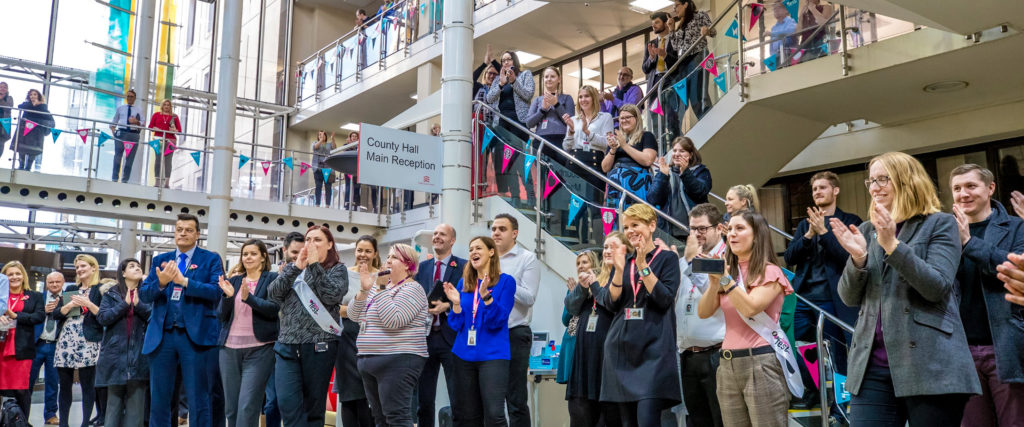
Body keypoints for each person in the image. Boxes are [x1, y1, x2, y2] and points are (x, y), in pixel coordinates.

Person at [832, 151, 981, 425]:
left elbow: (936, 287)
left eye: (882, 180)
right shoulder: (866, 230)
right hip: (871, 368)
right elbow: (848, 297)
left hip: (930, 364)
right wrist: (858, 260)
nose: (874, 188)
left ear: (906, 181)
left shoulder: (940, 223)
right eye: (870, 181)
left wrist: (892, 246)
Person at [696, 210, 798, 427]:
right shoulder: (728, 274)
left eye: (740, 228)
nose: (732, 234)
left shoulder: (770, 272)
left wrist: (725, 280)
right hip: (726, 363)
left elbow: (750, 308)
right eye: (730, 229)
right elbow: (703, 312)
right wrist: (715, 283)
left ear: (757, 235)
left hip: (761, 361)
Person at [948, 164, 1024, 425]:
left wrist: (969, 243)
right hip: (961, 352)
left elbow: (1013, 267)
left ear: (990, 188)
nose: (963, 194)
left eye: (971, 186)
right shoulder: (945, 233)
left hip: (1007, 347)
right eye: (957, 188)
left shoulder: (1016, 227)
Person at [783, 171, 862, 405]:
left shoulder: (850, 221)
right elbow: (789, 257)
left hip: (833, 299)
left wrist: (825, 233)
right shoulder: (805, 225)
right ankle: (814, 391)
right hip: (804, 298)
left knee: (837, 353)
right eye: (815, 188)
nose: (817, 192)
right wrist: (808, 235)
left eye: (822, 188)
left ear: (835, 191)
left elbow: (847, 258)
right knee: (800, 348)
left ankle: (842, 403)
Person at [599, 204, 681, 426]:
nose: (630, 231)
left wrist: (643, 264)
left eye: (635, 225)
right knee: (628, 423)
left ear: (652, 226)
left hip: (654, 351)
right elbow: (610, 302)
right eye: (626, 227)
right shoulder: (624, 262)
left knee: (647, 419)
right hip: (622, 351)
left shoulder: (667, 259)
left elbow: (664, 299)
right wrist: (617, 271)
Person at [140, 213, 225, 427]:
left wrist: (184, 281)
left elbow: (215, 292)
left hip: (195, 337)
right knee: (159, 399)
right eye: (179, 229)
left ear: (197, 234)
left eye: (188, 230)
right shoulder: (160, 260)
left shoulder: (210, 259)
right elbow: (144, 295)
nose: (183, 233)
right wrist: (160, 283)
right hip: (162, 336)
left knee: (198, 398)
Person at [268, 225, 348, 427]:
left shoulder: (338, 269)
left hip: (320, 346)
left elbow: (331, 295)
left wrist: (313, 265)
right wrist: (296, 267)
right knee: (287, 403)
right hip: (287, 345)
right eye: (308, 239)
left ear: (329, 244)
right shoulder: (293, 269)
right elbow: (274, 294)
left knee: (313, 408)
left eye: (317, 239)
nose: (311, 243)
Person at [349, 244, 430, 426]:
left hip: (397, 360)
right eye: (388, 257)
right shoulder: (379, 289)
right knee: (380, 419)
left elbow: (393, 320)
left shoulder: (413, 289)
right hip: (369, 360)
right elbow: (354, 316)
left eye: (394, 257)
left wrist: (381, 289)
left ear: (408, 265)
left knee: (397, 418)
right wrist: (363, 291)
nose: (387, 261)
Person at [442, 236, 516, 427]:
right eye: (470, 249)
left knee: (494, 414)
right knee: (468, 416)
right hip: (463, 355)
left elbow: (498, 321)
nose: (473, 252)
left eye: (478, 248)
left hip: (493, 356)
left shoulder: (506, 282)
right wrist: (456, 304)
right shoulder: (463, 284)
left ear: (491, 252)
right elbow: (456, 325)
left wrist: (486, 297)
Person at [565, 235, 629, 427]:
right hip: (584, 357)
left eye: (613, 247)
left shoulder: (622, 277)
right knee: (579, 415)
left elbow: (611, 304)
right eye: (605, 247)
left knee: (608, 417)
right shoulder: (595, 277)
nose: (608, 251)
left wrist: (593, 285)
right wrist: (581, 289)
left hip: (607, 357)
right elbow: (571, 309)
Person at [216, 239, 280, 427]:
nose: (248, 257)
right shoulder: (234, 280)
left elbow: (273, 309)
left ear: (263, 257)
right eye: (245, 254)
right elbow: (221, 315)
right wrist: (228, 297)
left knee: (248, 405)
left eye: (253, 253)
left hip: (260, 350)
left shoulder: (272, 279)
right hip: (228, 350)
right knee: (232, 408)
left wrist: (249, 298)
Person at [675, 204, 726, 427]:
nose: (696, 234)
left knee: (720, 419)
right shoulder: (684, 260)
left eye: (702, 229)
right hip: (687, 355)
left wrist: (690, 263)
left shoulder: (727, 257)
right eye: (692, 229)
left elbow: (715, 296)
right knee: (696, 421)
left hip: (717, 355)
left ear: (719, 228)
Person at [413, 224, 467, 427]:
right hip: (425, 338)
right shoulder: (422, 268)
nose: (437, 237)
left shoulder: (463, 266)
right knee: (424, 400)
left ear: (452, 240)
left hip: (451, 337)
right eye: (435, 234)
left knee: (458, 397)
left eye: (442, 234)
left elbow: (469, 298)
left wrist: (447, 305)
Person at [491, 214, 540, 427]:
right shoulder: (486, 258)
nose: (496, 233)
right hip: (488, 333)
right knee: (491, 396)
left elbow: (529, 298)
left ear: (515, 233)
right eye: (493, 229)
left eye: (502, 228)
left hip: (514, 332)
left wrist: (504, 280)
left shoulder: (527, 258)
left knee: (515, 398)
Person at [96, 259, 152, 427]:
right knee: (113, 409)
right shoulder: (111, 294)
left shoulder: (147, 293)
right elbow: (103, 318)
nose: (137, 268)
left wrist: (138, 305)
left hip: (140, 356)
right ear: (123, 273)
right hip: (115, 358)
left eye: (138, 266)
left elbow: (154, 317)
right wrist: (125, 304)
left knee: (136, 412)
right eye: (132, 266)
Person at [52, 255, 104, 427]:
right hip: (67, 339)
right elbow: (57, 314)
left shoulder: (100, 290)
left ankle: (84, 423)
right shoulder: (72, 288)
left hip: (88, 340)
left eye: (83, 266)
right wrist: (68, 306)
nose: (80, 270)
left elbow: (104, 316)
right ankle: (63, 424)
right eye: (77, 267)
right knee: (64, 385)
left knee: (88, 386)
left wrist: (88, 303)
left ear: (93, 268)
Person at [336, 235, 380, 427]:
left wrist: (352, 309)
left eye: (368, 251)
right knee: (348, 396)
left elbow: (382, 311)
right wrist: (361, 310)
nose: (363, 254)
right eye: (360, 250)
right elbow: (335, 309)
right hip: (346, 341)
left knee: (368, 396)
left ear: (375, 253)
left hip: (373, 341)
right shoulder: (343, 274)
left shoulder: (382, 276)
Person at [485, 51, 534, 200]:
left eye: (509, 59)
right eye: (503, 60)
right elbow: (488, 98)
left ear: (515, 61)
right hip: (501, 124)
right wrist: (500, 84)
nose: (506, 62)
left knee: (520, 160)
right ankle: (514, 195)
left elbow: (528, 94)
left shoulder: (525, 75)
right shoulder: (497, 80)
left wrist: (513, 82)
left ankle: (530, 195)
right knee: (506, 161)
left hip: (518, 123)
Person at [0, 261, 44, 417]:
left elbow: (38, 317)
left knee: (21, 389)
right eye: (10, 274)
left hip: (22, 350)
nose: (14, 277)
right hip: (1, 347)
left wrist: (15, 315)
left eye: (17, 273)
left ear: (23, 276)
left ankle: (22, 421)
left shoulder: (35, 296)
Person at [648, 136, 712, 239]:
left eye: (682, 151)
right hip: (669, 233)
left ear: (690, 155)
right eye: (674, 150)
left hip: (694, 232)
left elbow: (700, 192)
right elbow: (653, 199)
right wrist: (662, 176)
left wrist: (685, 172)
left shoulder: (700, 171)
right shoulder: (665, 171)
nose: (677, 154)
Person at [601, 104, 658, 209]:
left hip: (637, 184)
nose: (624, 120)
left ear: (636, 118)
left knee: (637, 217)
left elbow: (647, 160)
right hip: (615, 185)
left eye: (628, 117)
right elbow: (605, 168)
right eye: (622, 118)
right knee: (617, 222)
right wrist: (613, 150)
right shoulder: (616, 138)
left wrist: (624, 145)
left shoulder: (646, 136)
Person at [668, 0, 714, 124]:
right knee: (680, 99)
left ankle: (709, 123)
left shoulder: (700, 15)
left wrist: (707, 30)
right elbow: (676, 47)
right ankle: (677, 130)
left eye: (676, 6)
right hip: (683, 63)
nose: (674, 9)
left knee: (697, 96)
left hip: (698, 56)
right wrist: (672, 29)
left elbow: (713, 31)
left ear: (685, 4)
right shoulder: (681, 24)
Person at [29, 271, 65, 426]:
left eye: (57, 282)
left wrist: (60, 310)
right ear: (46, 283)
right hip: (37, 344)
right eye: (51, 282)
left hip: (56, 345)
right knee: (28, 381)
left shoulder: (69, 298)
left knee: (52, 383)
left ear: (63, 282)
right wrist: (44, 310)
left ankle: (50, 414)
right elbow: (29, 316)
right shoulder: (38, 298)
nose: (55, 285)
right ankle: (23, 413)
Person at [562, 85, 612, 192]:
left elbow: (606, 143)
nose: (583, 100)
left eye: (587, 96)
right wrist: (571, 131)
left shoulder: (605, 117)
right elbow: (566, 147)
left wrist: (587, 132)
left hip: (595, 164)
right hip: (574, 163)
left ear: (594, 98)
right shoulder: (573, 120)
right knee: (574, 205)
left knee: (594, 204)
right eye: (580, 97)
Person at [526, 67, 574, 167]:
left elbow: (571, 122)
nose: (549, 79)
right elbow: (529, 123)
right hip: (541, 140)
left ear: (559, 79)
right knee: (542, 175)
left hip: (561, 140)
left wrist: (556, 104)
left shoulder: (567, 98)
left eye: (552, 76)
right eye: (546, 77)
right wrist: (543, 109)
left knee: (560, 174)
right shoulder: (537, 100)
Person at [642, 12, 677, 129]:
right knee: (655, 119)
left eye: (657, 22)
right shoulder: (650, 44)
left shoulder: (674, 39)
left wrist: (665, 55)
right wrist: (651, 58)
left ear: (666, 23)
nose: (654, 26)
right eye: (652, 24)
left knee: (672, 117)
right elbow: (645, 69)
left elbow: (679, 62)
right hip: (654, 83)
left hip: (671, 79)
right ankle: (658, 144)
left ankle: (673, 142)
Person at [14, 89, 54, 170]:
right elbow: (20, 106)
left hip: (36, 131)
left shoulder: (43, 107)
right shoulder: (26, 104)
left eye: (35, 94)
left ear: (38, 96)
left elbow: (49, 118)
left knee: (32, 149)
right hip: (24, 129)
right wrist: (32, 105)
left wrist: (38, 105)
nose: (32, 96)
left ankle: (28, 167)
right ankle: (21, 165)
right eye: (31, 94)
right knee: (21, 147)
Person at [109, 89, 144, 183]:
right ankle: (114, 178)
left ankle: (125, 180)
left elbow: (143, 123)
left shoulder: (139, 109)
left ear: (135, 98)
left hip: (133, 134)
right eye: (128, 96)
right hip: (121, 133)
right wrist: (114, 131)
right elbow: (114, 121)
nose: (129, 98)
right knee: (117, 157)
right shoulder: (121, 108)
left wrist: (136, 122)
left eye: (131, 96)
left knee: (130, 159)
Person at [148, 99, 182, 188]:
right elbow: (150, 126)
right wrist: (156, 128)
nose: (166, 106)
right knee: (158, 160)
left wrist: (174, 130)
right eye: (165, 104)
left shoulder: (174, 117)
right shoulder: (156, 115)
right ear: (162, 106)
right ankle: (157, 182)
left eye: (168, 105)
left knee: (168, 161)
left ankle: (167, 183)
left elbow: (179, 131)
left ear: (171, 107)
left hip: (171, 140)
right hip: (158, 139)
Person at [312, 130, 337, 207]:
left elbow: (334, 148)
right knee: (318, 186)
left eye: (323, 135)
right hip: (317, 168)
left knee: (328, 187)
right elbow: (315, 147)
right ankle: (317, 204)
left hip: (328, 169)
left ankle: (327, 204)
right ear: (318, 136)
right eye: (319, 135)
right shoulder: (315, 143)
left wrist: (332, 138)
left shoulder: (329, 144)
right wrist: (321, 140)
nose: (321, 136)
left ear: (326, 136)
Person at [0, 82, 13, 155]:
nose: (2, 88)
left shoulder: (9, 98)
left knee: (1, 143)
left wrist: (1, 99)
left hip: (4, 124)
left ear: (7, 89)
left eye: (4, 87)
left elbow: (8, 107)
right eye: (1, 87)